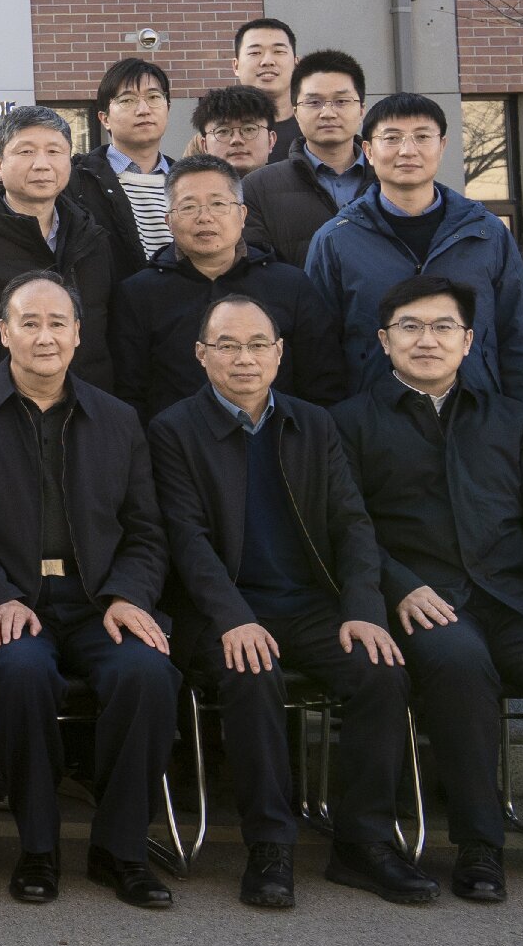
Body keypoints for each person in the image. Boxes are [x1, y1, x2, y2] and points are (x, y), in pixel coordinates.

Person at [330, 276, 523, 902]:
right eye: (410, 327)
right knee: (459, 665)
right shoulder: (348, 422)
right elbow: (344, 525)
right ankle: (478, 844)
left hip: (515, 599)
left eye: (443, 328)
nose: (426, 340)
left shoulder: (508, 419)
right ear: (384, 340)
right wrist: (398, 586)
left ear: (468, 341)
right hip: (423, 601)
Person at [149, 296, 437, 908]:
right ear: (201, 355)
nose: (244, 358)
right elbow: (186, 540)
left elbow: (351, 524)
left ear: (279, 353)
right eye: (227, 345)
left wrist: (363, 609)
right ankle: (270, 845)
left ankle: (364, 843)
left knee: (380, 670)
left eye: (258, 344)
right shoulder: (173, 430)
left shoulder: (314, 423)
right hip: (221, 610)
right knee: (252, 674)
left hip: (309, 605)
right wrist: (234, 618)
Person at [0, 272, 181, 908]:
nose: (45, 337)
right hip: (1, 602)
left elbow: (146, 531)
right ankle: (38, 847)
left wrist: (127, 595)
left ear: (78, 334)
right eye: (29, 323)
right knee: (21, 672)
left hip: (97, 601)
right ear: (3, 332)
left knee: (147, 672)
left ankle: (119, 849)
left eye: (57, 324)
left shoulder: (117, 419)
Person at [303, 94, 523, 416]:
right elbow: (318, 352)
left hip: (479, 417)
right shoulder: (335, 239)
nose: (407, 150)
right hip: (372, 424)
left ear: (442, 146)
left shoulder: (486, 233)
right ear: (369, 151)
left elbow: (522, 340)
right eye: (392, 138)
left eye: (422, 137)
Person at [111, 155, 346, 420]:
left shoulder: (290, 285)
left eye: (218, 204)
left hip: (279, 436)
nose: (205, 217)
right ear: (169, 221)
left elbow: (323, 382)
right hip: (175, 442)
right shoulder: (138, 294)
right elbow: (130, 392)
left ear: (242, 214)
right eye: (188, 207)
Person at [0, 105, 120, 391]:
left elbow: (108, 338)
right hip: (1, 409)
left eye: (54, 151)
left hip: (89, 408)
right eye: (26, 151)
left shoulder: (93, 239)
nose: (41, 164)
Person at [241, 50, 370, 263]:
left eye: (341, 101)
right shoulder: (257, 188)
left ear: (361, 110)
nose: (328, 113)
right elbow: (258, 269)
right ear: (296, 112)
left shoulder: (389, 179)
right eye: (314, 102)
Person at [76, 57, 177, 262]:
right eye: (127, 100)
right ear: (105, 119)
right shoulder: (79, 180)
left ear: (168, 108)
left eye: (154, 97)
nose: (144, 110)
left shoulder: (186, 179)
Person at [232, 17, 302, 157]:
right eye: (255, 53)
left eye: (278, 51)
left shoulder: (317, 127)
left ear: (296, 64)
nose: (267, 61)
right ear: (236, 66)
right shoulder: (215, 134)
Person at [188, 84, 281, 178]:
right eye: (223, 131)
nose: (236, 140)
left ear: (271, 140)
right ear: (204, 146)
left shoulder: (288, 184)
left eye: (249, 129)